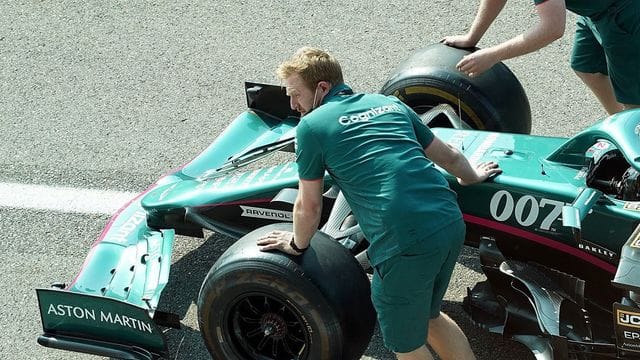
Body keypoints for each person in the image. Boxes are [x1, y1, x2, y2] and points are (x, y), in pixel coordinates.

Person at [256, 46, 502, 360]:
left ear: (322, 88)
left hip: (404, 239)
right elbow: (450, 157)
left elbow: (309, 206)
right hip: (449, 221)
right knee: (427, 316)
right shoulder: (388, 103)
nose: (292, 105)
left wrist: (297, 244)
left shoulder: (312, 127)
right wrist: (471, 177)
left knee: (406, 343)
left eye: (296, 94)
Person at [442, 0, 640, 115]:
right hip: (597, 10)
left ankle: (633, 140)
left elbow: (552, 29)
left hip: (626, 14)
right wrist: (472, 37)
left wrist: (492, 56)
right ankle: (619, 124)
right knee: (586, 66)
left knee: (634, 102)